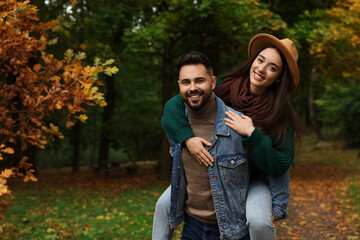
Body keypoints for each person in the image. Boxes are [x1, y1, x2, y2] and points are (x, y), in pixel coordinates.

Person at [153, 33, 303, 240]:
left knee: (258, 219)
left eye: (272, 68)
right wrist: (187, 138)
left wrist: (253, 135)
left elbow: (281, 163)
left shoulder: (278, 112)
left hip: (253, 177)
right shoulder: (224, 87)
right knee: (163, 205)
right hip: (219, 172)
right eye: (260, 60)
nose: (261, 69)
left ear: (279, 78)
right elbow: (173, 106)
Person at [156, 51, 251, 240]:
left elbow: (263, 173)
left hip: (231, 232)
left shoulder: (237, 125)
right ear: (179, 86)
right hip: (192, 228)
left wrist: (273, 206)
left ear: (213, 82)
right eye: (186, 82)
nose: (192, 88)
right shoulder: (175, 125)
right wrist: (188, 139)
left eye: (199, 81)